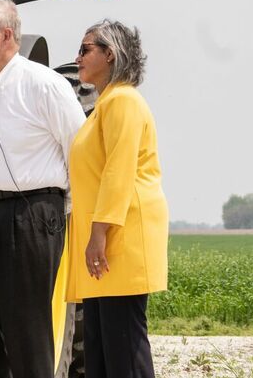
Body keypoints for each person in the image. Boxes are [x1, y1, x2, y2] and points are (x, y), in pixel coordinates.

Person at [0, 0, 85, 378]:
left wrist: (69, 213)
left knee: (27, 327)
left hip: (30, 214)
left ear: (6, 34)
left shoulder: (46, 85)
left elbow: (80, 150)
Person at [66, 20, 168, 378]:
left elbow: (118, 172)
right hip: (106, 241)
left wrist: (98, 235)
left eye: (85, 49)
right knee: (101, 351)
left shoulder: (122, 101)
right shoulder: (106, 104)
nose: (77, 57)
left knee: (123, 350)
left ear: (110, 54)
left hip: (118, 241)